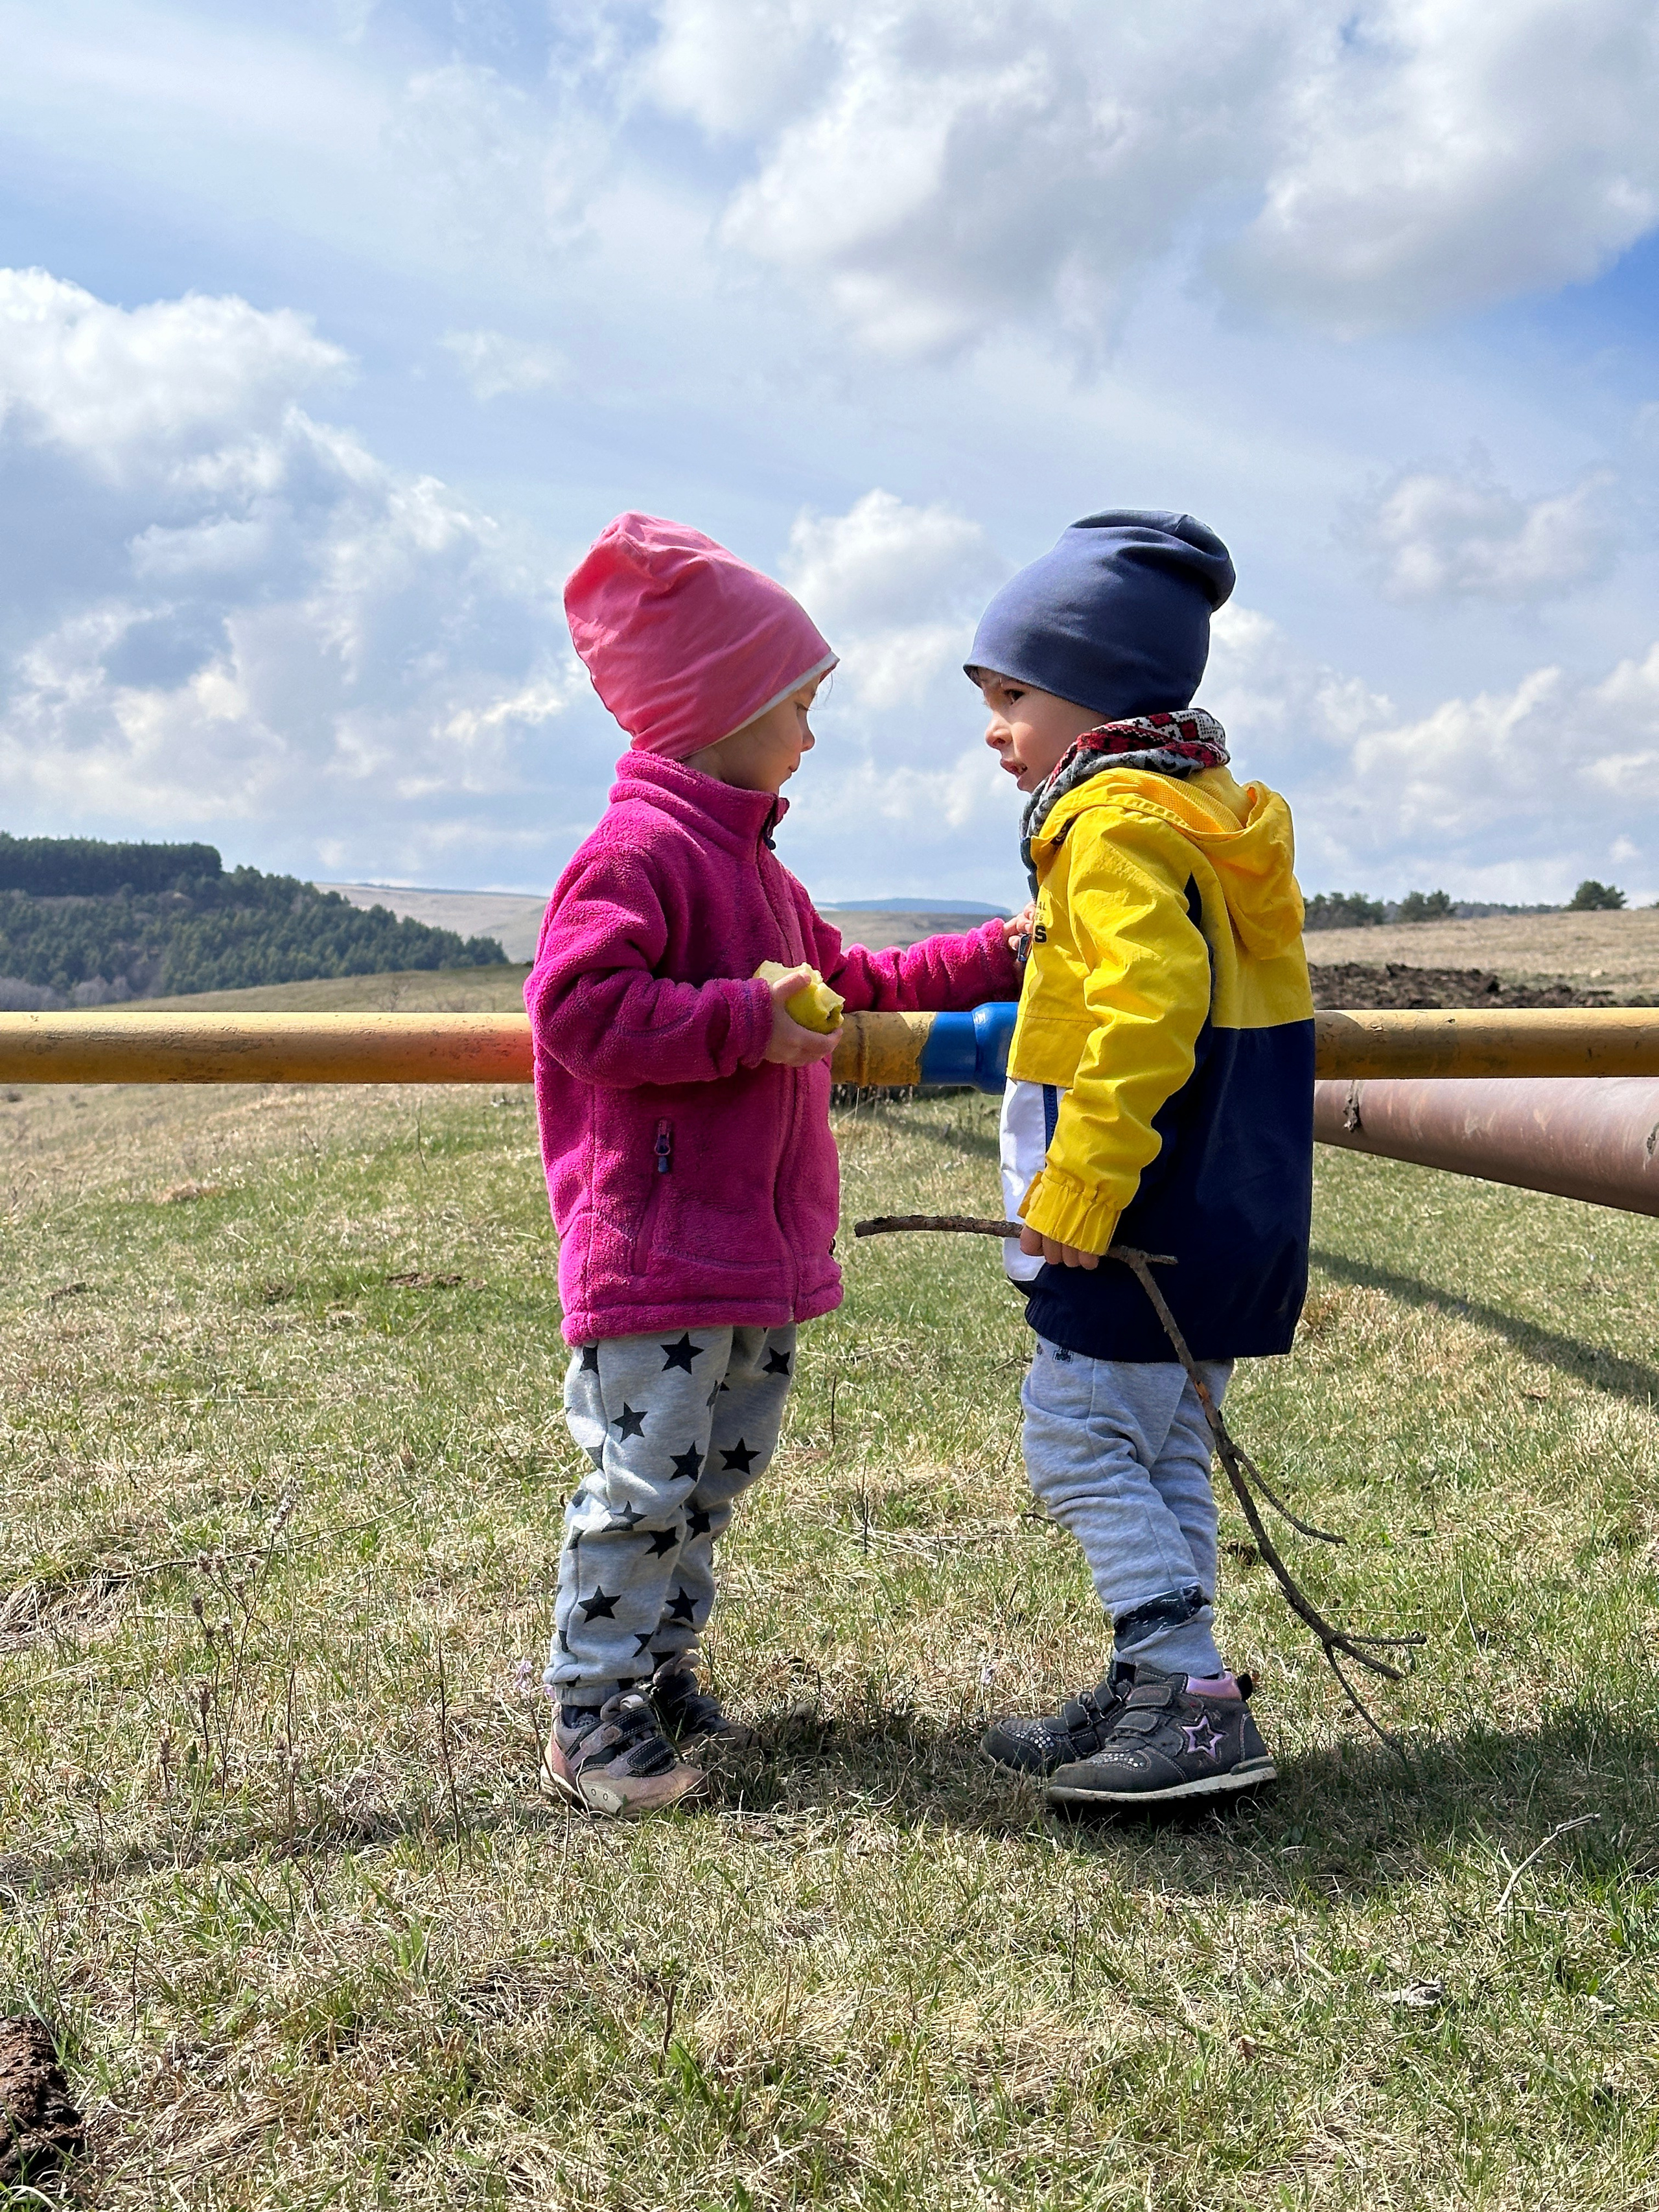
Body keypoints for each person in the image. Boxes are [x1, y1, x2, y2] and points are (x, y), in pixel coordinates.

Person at [526, 512, 1023, 1816]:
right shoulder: (636, 855)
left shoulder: (756, 863)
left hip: (749, 1253)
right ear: (717, 705)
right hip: (660, 1249)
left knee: (710, 1478)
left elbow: (850, 982)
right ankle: (589, 1719)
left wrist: (997, 950)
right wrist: (746, 1020)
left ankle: (656, 1673)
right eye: (797, 701)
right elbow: (580, 1013)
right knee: (643, 1478)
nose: (811, 728)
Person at [970, 509, 1314, 1806]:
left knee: (1070, 1438)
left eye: (1010, 695)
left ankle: (1175, 1688)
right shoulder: (1204, 813)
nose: (993, 729)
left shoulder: (1107, 824)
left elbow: (1145, 1006)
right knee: (1163, 1448)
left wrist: (1082, 1180)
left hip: (1136, 1205)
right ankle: (1174, 1678)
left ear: (1094, 689)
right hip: (1235, 1196)